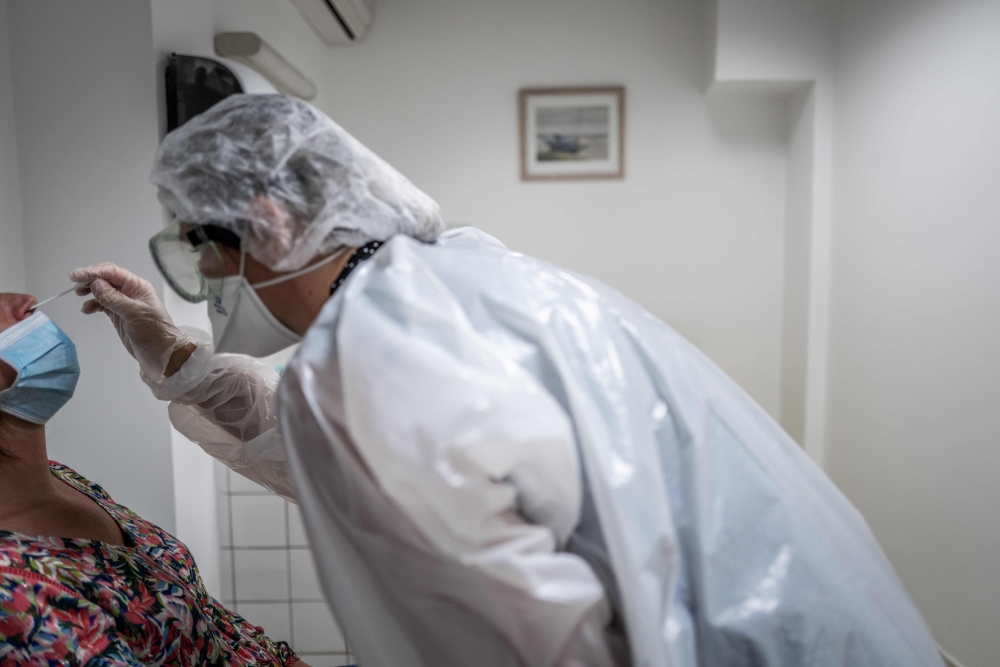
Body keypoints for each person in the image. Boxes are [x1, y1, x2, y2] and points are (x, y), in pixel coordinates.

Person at [72, 94, 945, 667]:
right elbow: (333, 462)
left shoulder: (373, 358)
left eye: (200, 242)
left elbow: (524, 646)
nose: (205, 271)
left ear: (265, 221)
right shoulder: (459, 283)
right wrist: (178, 359)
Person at [0, 292, 307, 666]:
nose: (22, 298)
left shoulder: (61, 477)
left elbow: (206, 623)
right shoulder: (12, 596)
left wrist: (176, 356)